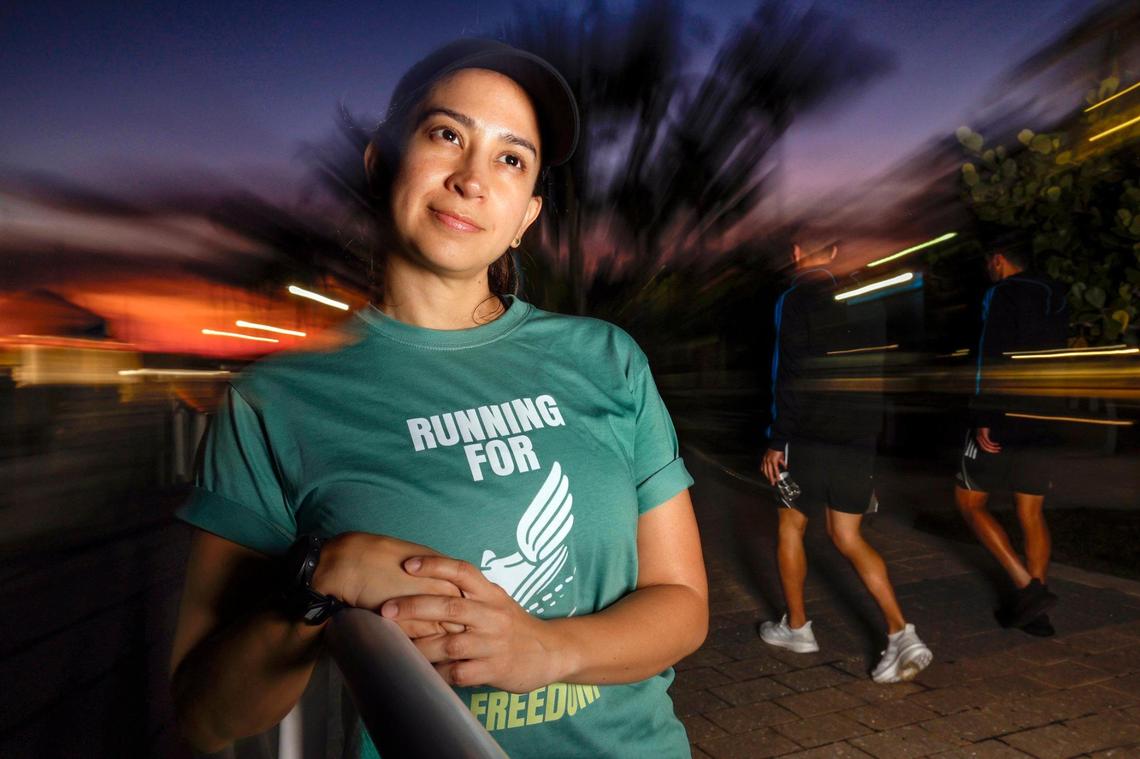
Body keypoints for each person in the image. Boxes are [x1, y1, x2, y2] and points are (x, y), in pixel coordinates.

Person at [170, 38, 708, 759]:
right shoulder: (275, 399)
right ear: (380, 162)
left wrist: (547, 650)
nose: (472, 178)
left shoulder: (607, 359)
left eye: (511, 158)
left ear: (527, 214)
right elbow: (207, 714)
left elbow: (683, 603)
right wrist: (317, 579)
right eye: (446, 134)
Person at [758, 242, 932, 683]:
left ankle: (797, 628)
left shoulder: (796, 297)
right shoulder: (864, 295)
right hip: (858, 435)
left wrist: (778, 439)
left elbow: (790, 370)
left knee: (790, 525)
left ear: (796, 250)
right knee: (847, 535)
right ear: (833, 251)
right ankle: (901, 632)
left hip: (810, 436)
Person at [954, 237, 1068, 637]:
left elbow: (992, 355)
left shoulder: (1001, 293)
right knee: (1031, 512)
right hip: (1045, 417)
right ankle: (1037, 611)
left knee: (969, 502)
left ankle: (1025, 585)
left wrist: (983, 414)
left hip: (1003, 417)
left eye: (990, 262)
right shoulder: (1056, 294)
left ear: (998, 260)